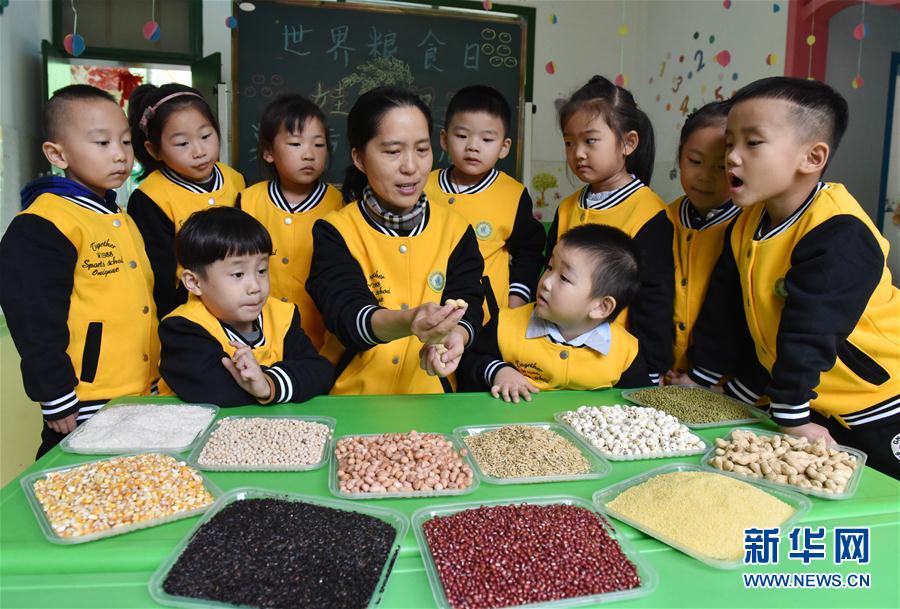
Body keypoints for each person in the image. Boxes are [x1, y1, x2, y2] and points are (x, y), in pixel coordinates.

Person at [682, 77, 899, 477]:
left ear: (812, 157)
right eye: (730, 142)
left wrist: (790, 413)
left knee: (882, 502)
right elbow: (730, 311)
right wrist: (703, 378)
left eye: (752, 143)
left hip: (875, 402)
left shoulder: (840, 232)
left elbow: (809, 330)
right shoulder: (747, 222)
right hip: (808, 401)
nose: (731, 157)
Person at [0, 85, 159, 457]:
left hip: (141, 390)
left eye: (125, 141)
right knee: (74, 488)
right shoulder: (44, 223)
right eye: (102, 143)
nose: (120, 155)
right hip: (85, 399)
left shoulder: (117, 215)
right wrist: (54, 393)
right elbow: (33, 317)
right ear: (57, 153)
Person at [306, 86, 484, 395]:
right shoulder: (335, 231)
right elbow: (346, 313)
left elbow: (468, 302)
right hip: (350, 398)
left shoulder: (455, 230)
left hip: (434, 400)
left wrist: (457, 335)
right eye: (392, 151)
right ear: (359, 158)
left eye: (422, 149)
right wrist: (410, 320)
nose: (411, 167)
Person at [547, 75, 673, 385]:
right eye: (569, 142)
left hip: (617, 364)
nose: (578, 153)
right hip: (556, 355)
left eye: (590, 140)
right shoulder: (567, 207)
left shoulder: (649, 213)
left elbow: (654, 301)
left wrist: (649, 372)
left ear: (629, 142)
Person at [157, 207, 333, 406]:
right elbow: (214, 389)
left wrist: (268, 385)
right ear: (195, 282)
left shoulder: (282, 316)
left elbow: (320, 373)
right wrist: (269, 385)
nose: (255, 287)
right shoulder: (181, 328)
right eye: (238, 275)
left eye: (261, 270)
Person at [460, 224, 648, 403]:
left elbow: (639, 404)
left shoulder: (626, 352)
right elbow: (469, 362)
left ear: (601, 307)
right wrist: (498, 371)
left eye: (564, 278)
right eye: (549, 267)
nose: (546, 282)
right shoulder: (504, 325)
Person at [127, 83, 245, 318]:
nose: (199, 151)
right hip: (187, 315)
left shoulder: (235, 180)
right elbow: (159, 279)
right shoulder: (149, 198)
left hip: (241, 306)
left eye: (205, 135)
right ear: (153, 150)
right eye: (182, 144)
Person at [424, 85, 544, 313]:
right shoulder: (423, 186)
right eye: (461, 136)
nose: (473, 147)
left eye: (487, 140)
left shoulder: (513, 194)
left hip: (487, 318)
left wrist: (517, 297)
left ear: (504, 147)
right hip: (427, 308)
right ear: (444, 139)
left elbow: (529, 251)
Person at [237, 94, 342, 349]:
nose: (309, 154)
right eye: (295, 144)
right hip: (258, 340)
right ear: (268, 152)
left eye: (318, 145)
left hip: (322, 339)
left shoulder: (339, 205)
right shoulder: (248, 202)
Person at [665, 101, 741, 376]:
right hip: (666, 375)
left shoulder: (747, 226)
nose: (705, 177)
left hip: (727, 382)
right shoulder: (662, 219)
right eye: (695, 161)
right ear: (680, 156)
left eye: (721, 167)